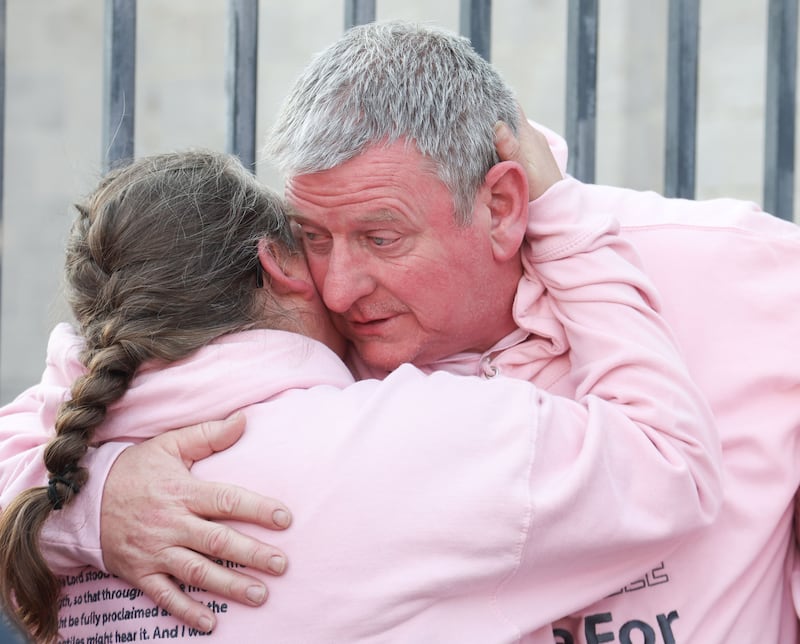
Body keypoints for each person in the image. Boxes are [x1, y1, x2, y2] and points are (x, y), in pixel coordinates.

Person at [0, 140, 721, 641]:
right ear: (278, 265)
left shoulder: (58, 471)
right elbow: (672, 467)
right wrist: (563, 221)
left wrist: (89, 507)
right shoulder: (416, 443)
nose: (343, 286)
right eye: (314, 241)